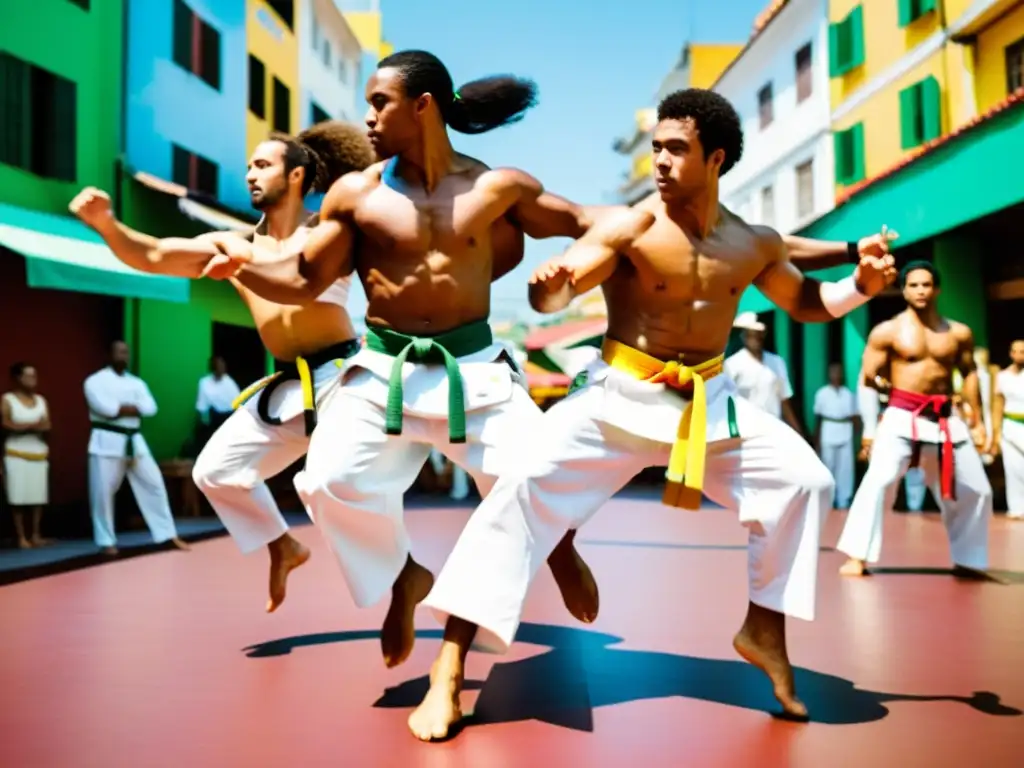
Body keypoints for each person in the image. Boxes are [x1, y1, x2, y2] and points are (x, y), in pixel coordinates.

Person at [412, 88, 898, 739]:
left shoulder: (749, 241)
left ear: (716, 157)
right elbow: (571, 279)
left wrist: (861, 284)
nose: (661, 160)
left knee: (803, 481)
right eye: (656, 148)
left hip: (708, 403)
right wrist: (552, 287)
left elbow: (805, 301)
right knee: (514, 496)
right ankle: (447, 670)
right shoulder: (631, 224)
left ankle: (763, 631)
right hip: (615, 400)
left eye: (676, 148)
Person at [205, 50, 609, 662]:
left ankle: (559, 546)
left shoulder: (497, 186)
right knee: (327, 481)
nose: (366, 118)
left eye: (378, 103)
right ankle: (403, 576)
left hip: (474, 368)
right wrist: (245, 268)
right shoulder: (354, 195)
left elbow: (588, 221)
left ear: (422, 107)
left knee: (537, 472)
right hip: (381, 373)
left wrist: (604, 255)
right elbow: (301, 281)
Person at [71, 123, 384, 610]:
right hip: (286, 387)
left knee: (327, 484)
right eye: (248, 167)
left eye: (262, 165)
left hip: (343, 378)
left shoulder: (330, 231)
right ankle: (284, 546)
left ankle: (403, 575)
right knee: (216, 472)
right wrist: (107, 225)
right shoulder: (233, 246)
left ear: (297, 174)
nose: (250, 175)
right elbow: (153, 254)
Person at [836, 262, 992, 576]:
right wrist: (870, 428)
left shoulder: (958, 332)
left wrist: (978, 419)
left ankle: (968, 559)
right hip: (901, 416)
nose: (921, 291)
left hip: (946, 418)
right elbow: (867, 377)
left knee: (978, 489)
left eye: (926, 285)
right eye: (914, 285)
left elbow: (970, 373)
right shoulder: (888, 330)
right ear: (904, 290)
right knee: (878, 482)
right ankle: (858, 555)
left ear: (937, 289)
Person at [84, 341, 188, 555]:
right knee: (102, 493)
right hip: (106, 441)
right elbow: (106, 409)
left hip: (135, 441)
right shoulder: (94, 381)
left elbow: (150, 408)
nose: (124, 356)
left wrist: (121, 408)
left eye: (126, 352)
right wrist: (132, 408)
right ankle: (106, 541)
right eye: (119, 352)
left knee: (155, 484)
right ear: (109, 354)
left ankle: (167, 534)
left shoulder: (137, 383)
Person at [725, 311, 803, 435]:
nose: (756, 338)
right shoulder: (732, 365)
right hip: (745, 431)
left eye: (758, 334)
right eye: (751, 334)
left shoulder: (777, 363)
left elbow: (784, 401)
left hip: (773, 429)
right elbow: (726, 402)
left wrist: (799, 434)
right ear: (744, 336)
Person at [2, 363, 51, 548]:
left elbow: (47, 426)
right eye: (28, 376)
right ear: (17, 378)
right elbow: (6, 423)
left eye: (34, 376)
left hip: (38, 453)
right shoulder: (8, 399)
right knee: (18, 496)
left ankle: (36, 534)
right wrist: (31, 426)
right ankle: (21, 536)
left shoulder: (41, 400)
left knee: (38, 496)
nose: (33, 380)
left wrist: (21, 426)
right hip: (16, 453)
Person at [813, 362, 860, 509]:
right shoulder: (822, 393)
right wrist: (817, 441)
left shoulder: (848, 394)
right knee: (828, 466)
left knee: (845, 469)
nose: (836, 375)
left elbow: (855, 417)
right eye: (833, 372)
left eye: (839, 372)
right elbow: (818, 419)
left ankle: (843, 499)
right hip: (828, 431)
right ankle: (827, 499)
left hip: (845, 431)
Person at [988, 339, 1024, 520]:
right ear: (1010, 354)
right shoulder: (1002, 376)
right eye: (1016, 351)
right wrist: (996, 433)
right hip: (1010, 425)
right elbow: (998, 404)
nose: (1019, 355)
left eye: (1023, 352)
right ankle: (1016, 509)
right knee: (1013, 468)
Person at [195, 355, 241, 439]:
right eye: (219, 365)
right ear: (213, 368)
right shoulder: (204, 382)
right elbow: (202, 406)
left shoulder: (229, 381)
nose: (222, 367)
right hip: (214, 419)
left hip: (229, 419)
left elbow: (239, 400)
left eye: (223, 365)